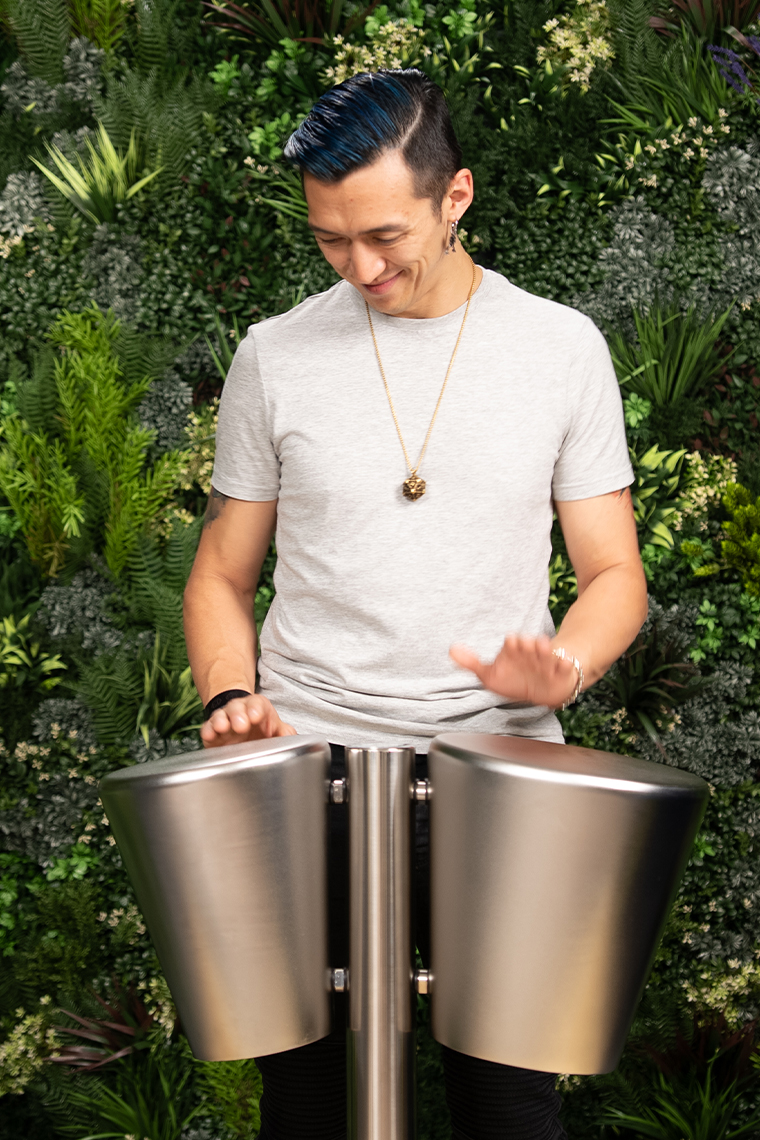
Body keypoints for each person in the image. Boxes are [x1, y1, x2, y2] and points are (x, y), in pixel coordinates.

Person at [183, 68, 648, 1140]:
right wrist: (229, 697)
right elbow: (220, 572)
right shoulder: (276, 355)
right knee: (303, 1102)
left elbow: (612, 572)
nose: (360, 268)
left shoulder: (558, 350)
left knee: (508, 1102)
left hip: (500, 771)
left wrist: (565, 667)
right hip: (304, 771)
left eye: (383, 235)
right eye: (330, 240)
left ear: (457, 197)